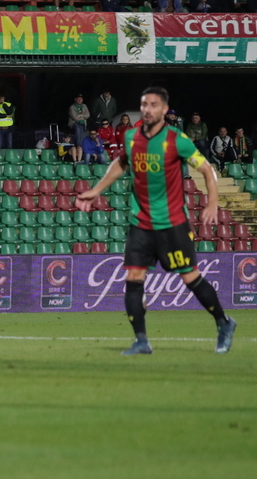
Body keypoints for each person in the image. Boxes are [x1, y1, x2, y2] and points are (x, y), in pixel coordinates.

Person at [76, 86, 235, 356]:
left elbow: (207, 170)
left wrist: (210, 202)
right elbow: (121, 163)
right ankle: (141, 340)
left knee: (190, 277)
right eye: (144, 104)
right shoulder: (131, 137)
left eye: (153, 105)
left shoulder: (177, 139)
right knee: (134, 278)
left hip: (172, 222)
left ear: (163, 110)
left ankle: (224, 322)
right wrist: (97, 189)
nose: (147, 109)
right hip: (141, 222)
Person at [68, 94, 90, 163]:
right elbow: (75, 117)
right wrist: (83, 117)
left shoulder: (84, 106)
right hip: (74, 123)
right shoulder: (72, 107)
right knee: (77, 127)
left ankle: (80, 145)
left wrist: (81, 115)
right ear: (75, 99)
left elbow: (88, 115)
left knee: (82, 130)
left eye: (81, 99)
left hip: (83, 124)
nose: (80, 100)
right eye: (78, 98)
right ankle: (78, 144)